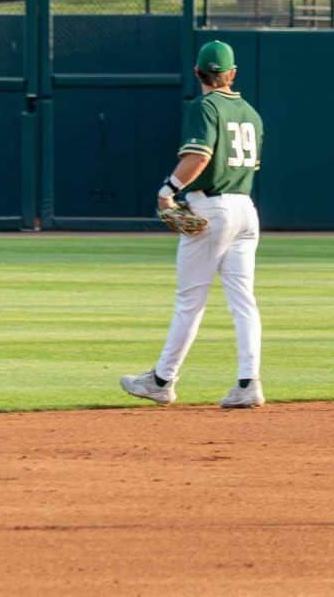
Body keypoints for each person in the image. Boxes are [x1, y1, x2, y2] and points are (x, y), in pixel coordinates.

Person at [120, 40, 266, 409]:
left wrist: (168, 191)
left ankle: (161, 380)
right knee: (243, 301)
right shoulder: (250, 113)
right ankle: (248, 382)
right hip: (246, 209)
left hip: (211, 209)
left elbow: (198, 157)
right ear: (232, 74)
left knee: (190, 300)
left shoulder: (204, 106)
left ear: (197, 72)